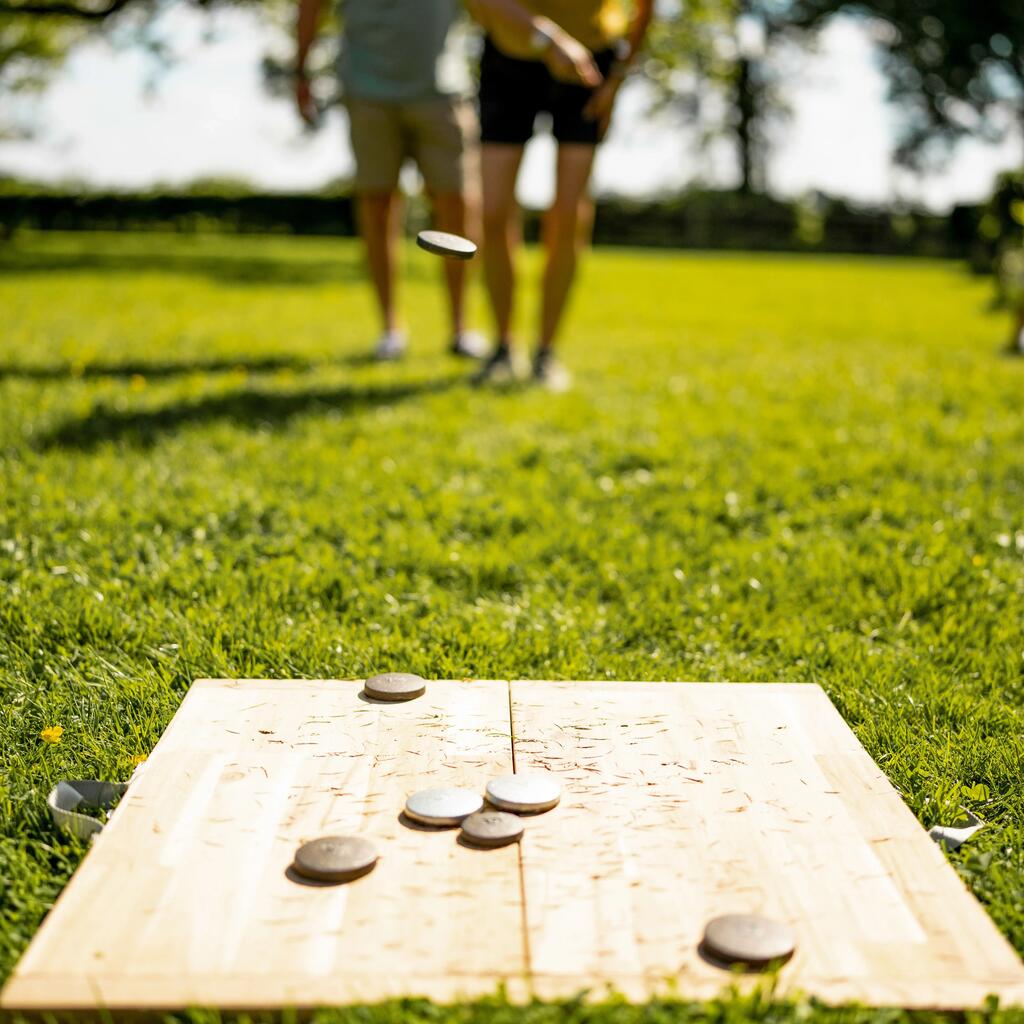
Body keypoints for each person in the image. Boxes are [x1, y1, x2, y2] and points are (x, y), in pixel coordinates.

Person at [465, 0, 654, 388]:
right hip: (509, 54)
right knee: (494, 210)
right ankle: (503, 347)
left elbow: (647, 7)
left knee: (568, 214)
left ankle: (546, 353)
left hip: (591, 61)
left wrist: (617, 78)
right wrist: (546, 35)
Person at [296, 0, 487, 361]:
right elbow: (311, 6)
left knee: (458, 205)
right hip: (367, 89)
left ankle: (462, 328)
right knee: (377, 205)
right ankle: (390, 329)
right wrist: (300, 70)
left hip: (442, 89)